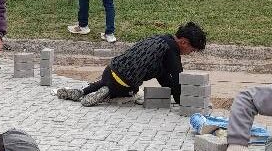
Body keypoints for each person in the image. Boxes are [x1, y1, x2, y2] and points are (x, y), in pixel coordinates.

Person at [57, 22, 207, 107]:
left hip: (110, 70)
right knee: (132, 94)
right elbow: (177, 81)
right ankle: (108, 95)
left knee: (106, 81)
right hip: (125, 85)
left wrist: (168, 91)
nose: (190, 53)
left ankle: (83, 91)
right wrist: (185, 102)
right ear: (183, 42)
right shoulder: (171, 52)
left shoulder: (161, 39)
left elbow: (163, 76)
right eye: (191, 50)